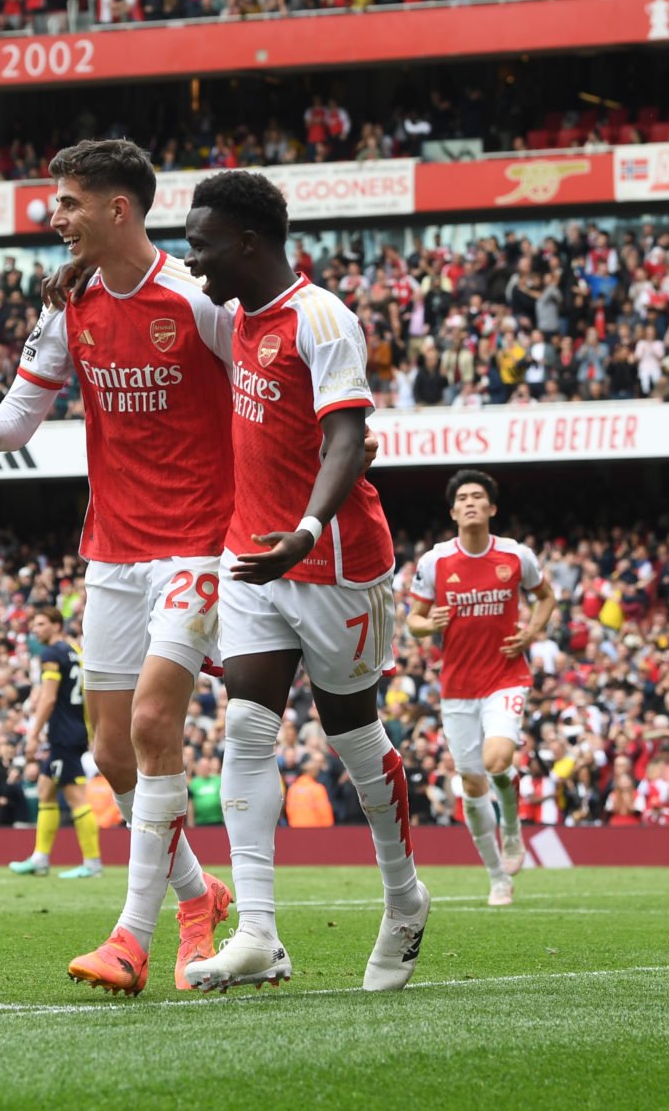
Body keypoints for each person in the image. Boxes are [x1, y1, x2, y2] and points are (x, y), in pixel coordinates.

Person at [0, 139, 233, 994]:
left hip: (197, 541)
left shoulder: (198, 300)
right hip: (111, 551)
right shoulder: (65, 306)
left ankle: (131, 936)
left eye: (71, 201)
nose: (56, 214)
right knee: (114, 757)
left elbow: (265, 391)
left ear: (120, 208)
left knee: (155, 726)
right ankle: (200, 897)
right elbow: (13, 423)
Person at [180, 170, 428, 995]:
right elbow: (146, 270)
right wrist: (81, 266)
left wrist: (307, 530)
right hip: (253, 555)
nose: (194, 257)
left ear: (248, 243)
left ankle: (404, 900)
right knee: (244, 730)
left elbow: (349, 440)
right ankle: (257, 933)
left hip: (336, 563)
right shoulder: (236, 310)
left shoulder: (322, 319)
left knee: (355, 739)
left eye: (204, 242)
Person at [408, 469, 557, 904]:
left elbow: (546, 597)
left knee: (498, 760)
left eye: (479, 497)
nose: (471, 503)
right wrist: (426, 624)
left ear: (492, 508)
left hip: (506, 676)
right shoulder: (435, 561)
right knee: (472, 786)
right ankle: (497, 876)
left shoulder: (515, 556)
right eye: (463, 498)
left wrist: (531, 632)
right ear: (453, 511)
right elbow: (414, 619)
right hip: (457, 688)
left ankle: (511, 829)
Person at [9, 607, 103, 878]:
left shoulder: (50, 655)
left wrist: (33, 734)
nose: (35, 630)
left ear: (54, 625)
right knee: (45, 791)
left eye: (40, 624)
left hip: (63, 734)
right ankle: (40, 858)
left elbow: (48, 699)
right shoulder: (74, 652)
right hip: (74, 730)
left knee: (75, 798)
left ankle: (93, 863)